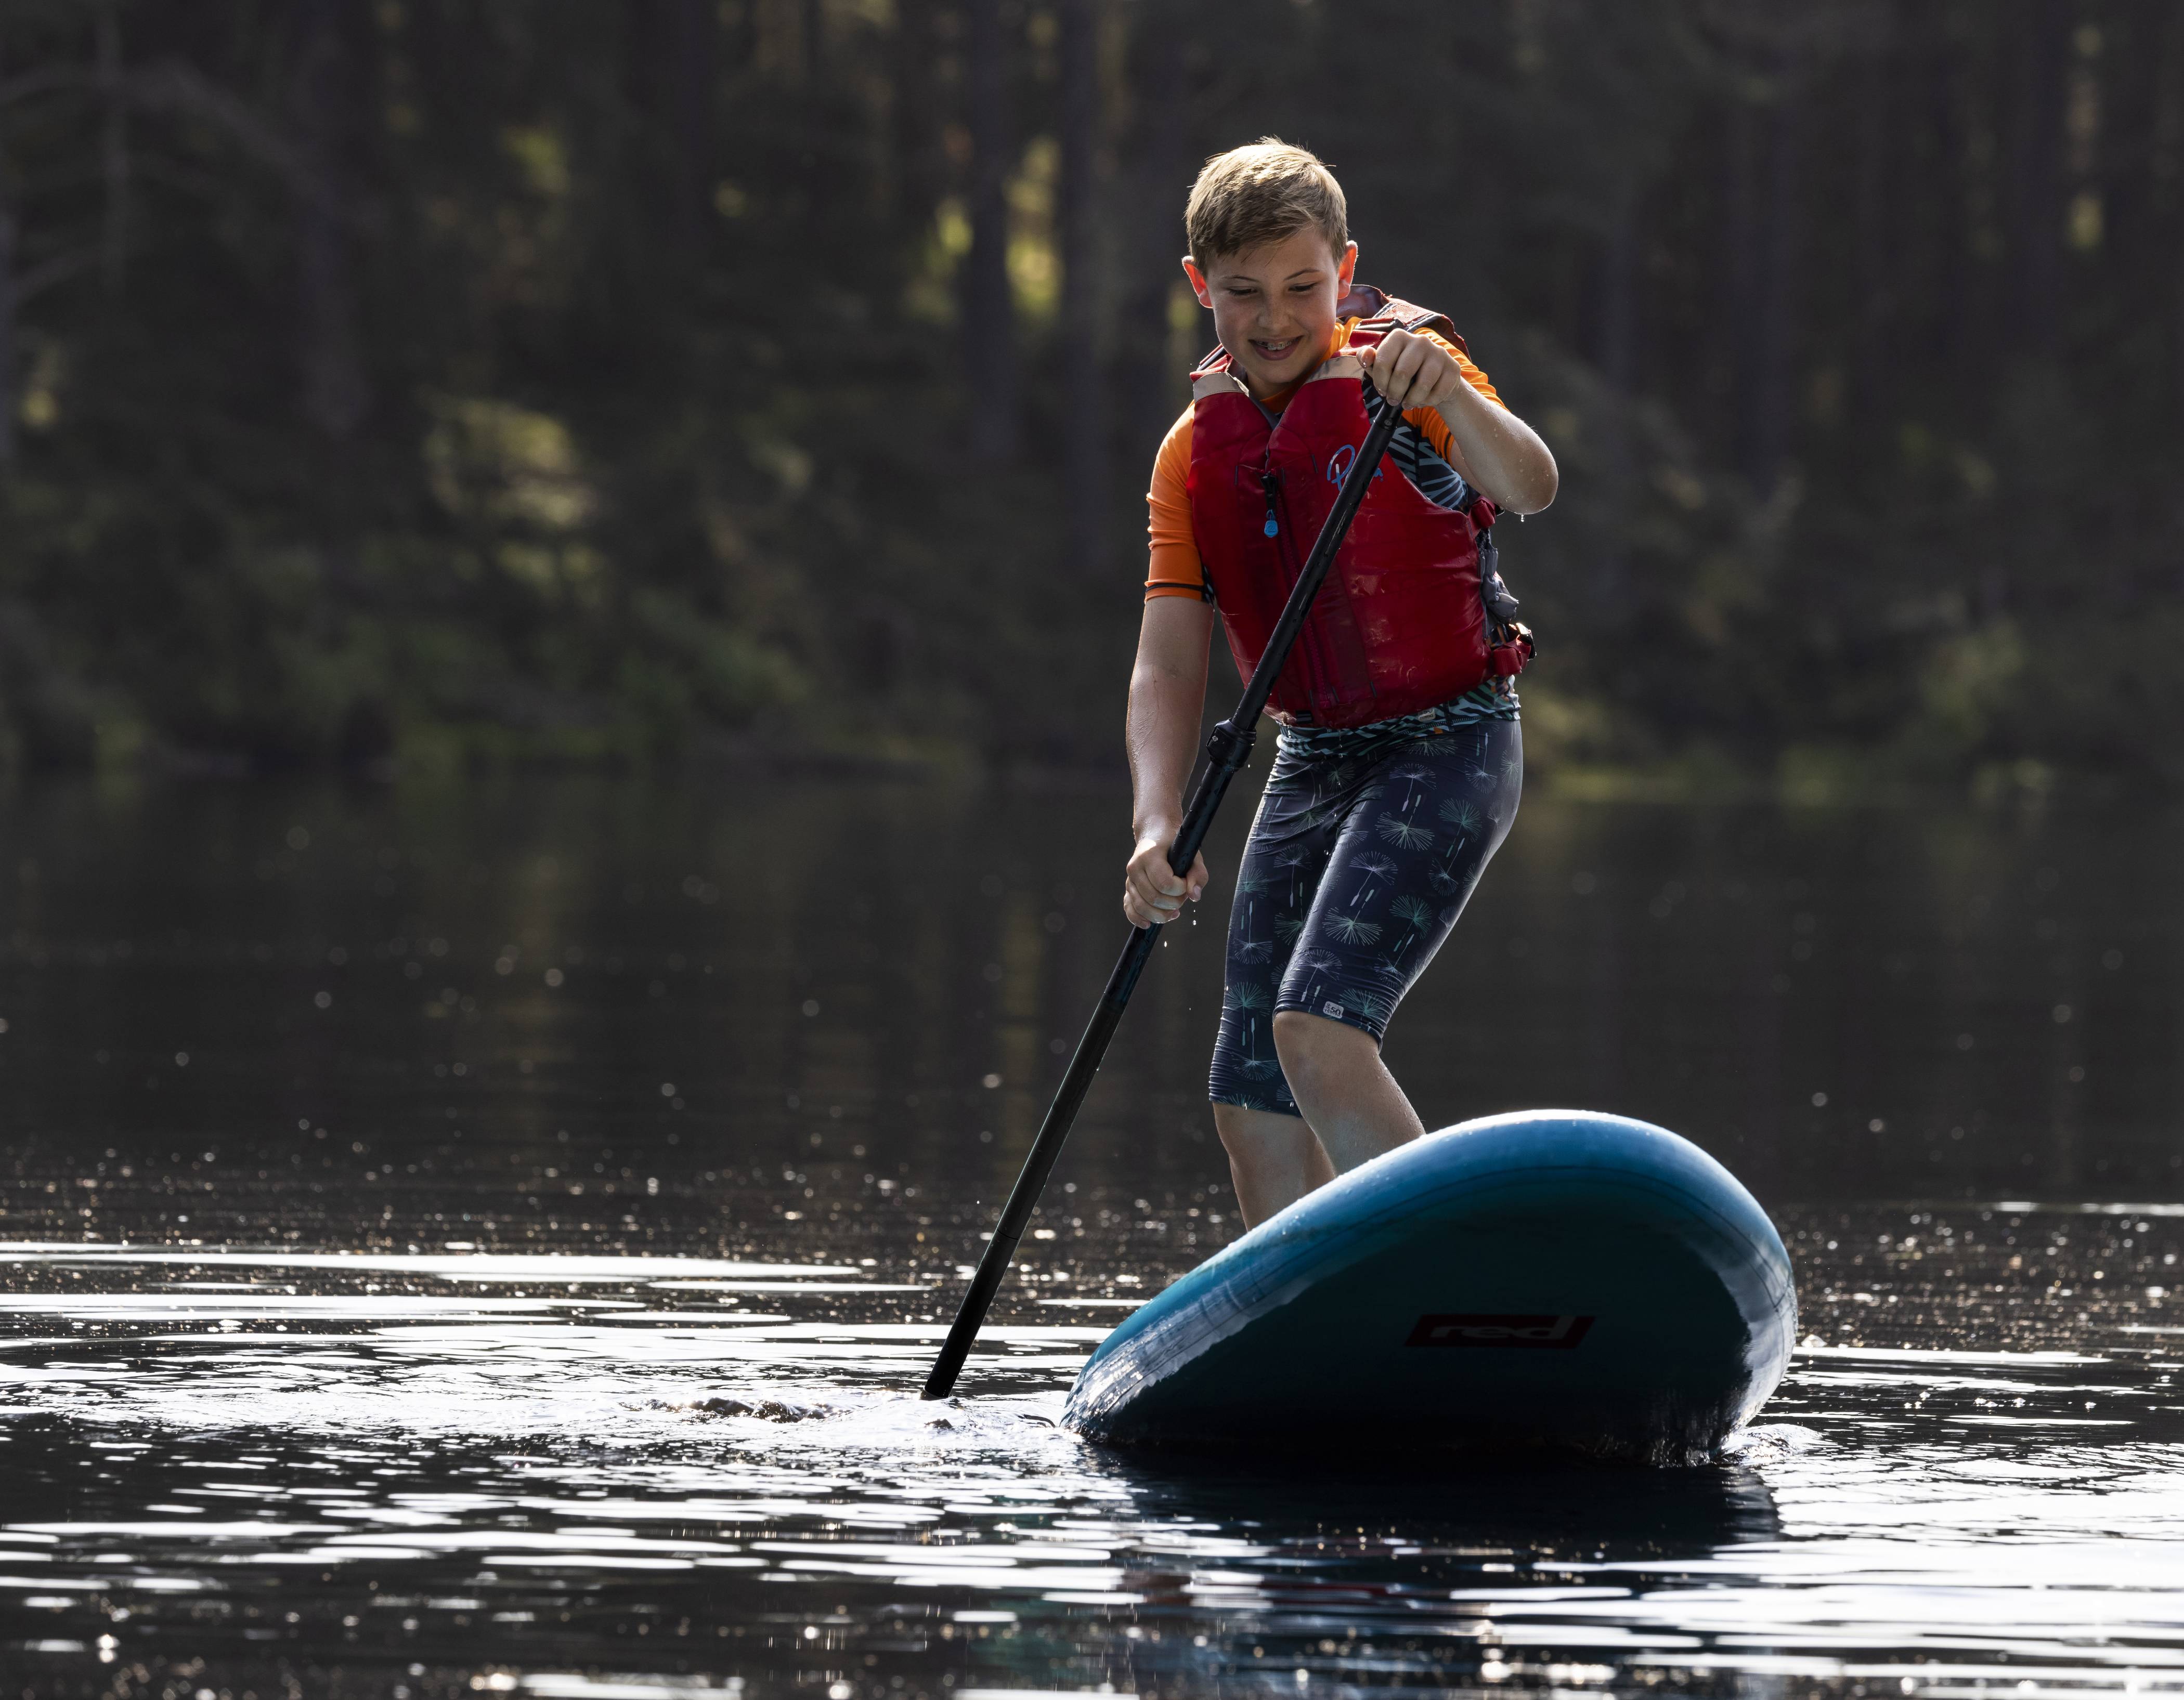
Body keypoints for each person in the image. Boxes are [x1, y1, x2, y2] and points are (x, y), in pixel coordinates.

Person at [1122, 138, 1559, 1228]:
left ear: (1345, 266)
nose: (1275, 320)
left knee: (1317, 1035)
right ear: (1198, 287)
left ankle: (1453, 1293)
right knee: (1251, 1103)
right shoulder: (1190, 455)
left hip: (1448, 740)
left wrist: (1453, 390)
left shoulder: (1408, 374)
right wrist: (1155, 821)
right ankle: (1314, 1346)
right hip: (1313, 758)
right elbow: (1168, 660)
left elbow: (1532, 483)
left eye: (1304, 288)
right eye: (1243, 294)